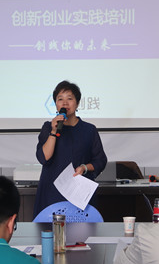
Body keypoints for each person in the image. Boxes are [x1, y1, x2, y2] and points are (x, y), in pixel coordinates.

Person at [33, 80, 107, 219]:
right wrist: (54, 131)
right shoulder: (48, 127)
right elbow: (44, 158)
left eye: (69, 99)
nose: (65, 103)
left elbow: (100, 160)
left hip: (79, 194)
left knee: (81, 231)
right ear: (56, 104)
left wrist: (84, 168)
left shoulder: (89, 130)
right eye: (60, 99)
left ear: (77, 104)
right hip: (52, 192)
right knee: (51, 230)